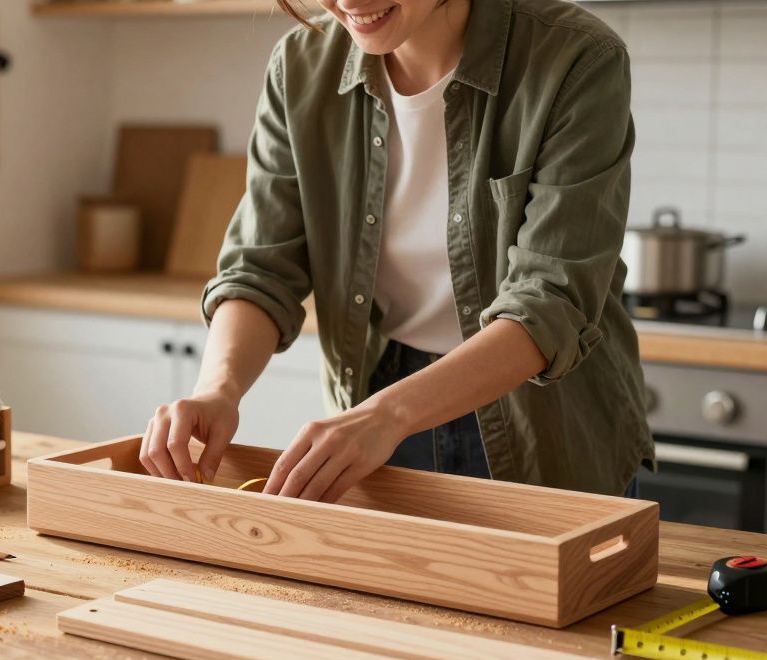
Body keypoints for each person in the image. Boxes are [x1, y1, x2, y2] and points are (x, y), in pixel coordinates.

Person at [140, 0, 654, 502]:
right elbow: (261, 268)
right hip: (376, 415)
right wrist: (217, 389)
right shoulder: (299, 66)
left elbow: (549, 303)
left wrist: (387, 416)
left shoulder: (576, 57)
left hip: (546, 427)